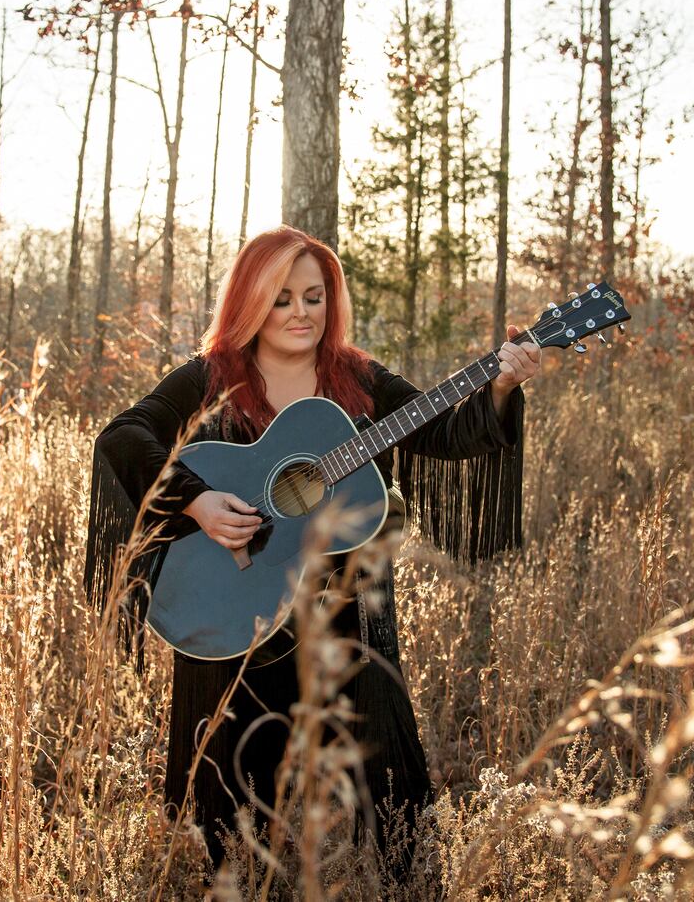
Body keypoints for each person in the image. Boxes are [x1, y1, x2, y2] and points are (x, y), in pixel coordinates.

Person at [83, 224, 538, 876]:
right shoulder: (212, 376)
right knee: (235, 791)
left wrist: (499, 385)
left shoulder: (356, 378)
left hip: (345, 607)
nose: (301, 312)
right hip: (240, 601)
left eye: (314, 296)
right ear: (251, 302)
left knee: (383, 767)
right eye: (282, 298)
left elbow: (441, 429)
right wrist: (197, 500)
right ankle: (239, 875)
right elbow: (124, 436)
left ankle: (396, 880)